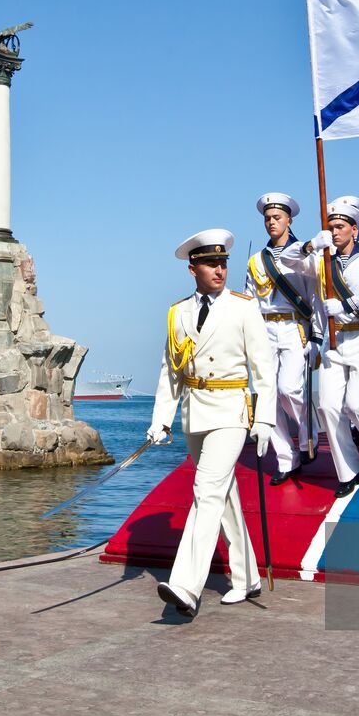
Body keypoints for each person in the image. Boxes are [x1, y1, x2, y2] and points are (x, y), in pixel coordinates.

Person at [147, 229, 276, 618]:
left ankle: (186, 585)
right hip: (194, 411)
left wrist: (265, 417)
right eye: (210, 264)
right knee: (224, 497)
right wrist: (160, 420)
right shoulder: (177, 312)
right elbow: (171, 371)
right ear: (193, 269)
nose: (220, 270)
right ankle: (247, 577)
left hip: (231, 410)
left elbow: (264, 368)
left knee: (206, 489)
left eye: (223, 263)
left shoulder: (243, 306)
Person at [285, 201, 359, 496]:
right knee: (329, 407)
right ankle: (348, 471)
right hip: (334, 343)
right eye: (331, 227)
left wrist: (348, 303)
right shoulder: (323, 260)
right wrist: (310, 244)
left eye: (339, 227)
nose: (334, 232)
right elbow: (288, 260)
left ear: (354, 230)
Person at [245, 193, 323, 486]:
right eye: (267, 218)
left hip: (294, 327)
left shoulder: (305, 255)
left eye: (277, 217)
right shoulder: (257, 260)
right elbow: (250, 300)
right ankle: (286, 458)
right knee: (268, 397)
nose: (271, 223)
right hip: (265, 329)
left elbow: (316, 297)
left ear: (289, 220)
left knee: (289, 388)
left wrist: (316, 334)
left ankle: (308, 438)